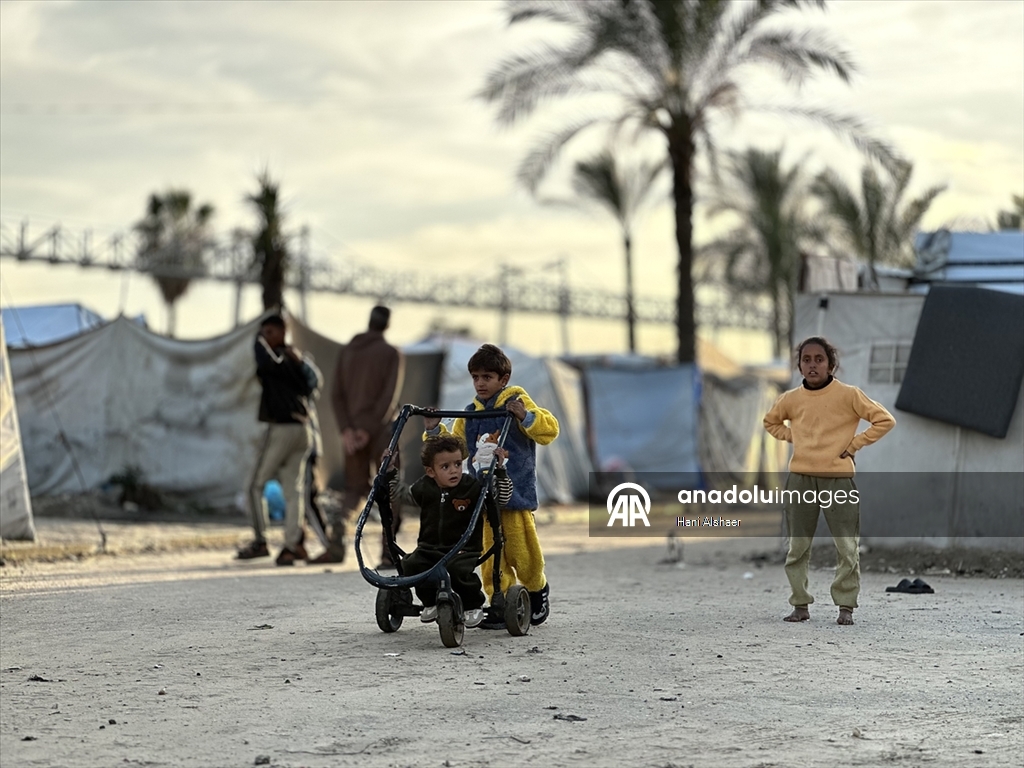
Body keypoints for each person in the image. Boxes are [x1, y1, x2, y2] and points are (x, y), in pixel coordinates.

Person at [423, 343, 559, 628]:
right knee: (489, 554)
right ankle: (500, 601)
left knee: (523, 552)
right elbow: (453, 448)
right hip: (483, 497)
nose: (480, 383)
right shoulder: (471, 414)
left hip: (515, 493)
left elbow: (549, 430)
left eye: (487, 377)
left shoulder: (517, 402)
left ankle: (536, 588)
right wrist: (435, 429)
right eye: (476, 377)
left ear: (503, 380)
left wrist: (525, 416)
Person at [763, 336, 895, 626]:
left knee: (846, 546)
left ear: (831, 364)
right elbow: (770, 422)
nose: (812, 365)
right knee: (797, 546)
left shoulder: (849, 395)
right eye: (806, 359)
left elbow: (884, 420)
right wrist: (792, 437)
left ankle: (845, 606)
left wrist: (854, 444)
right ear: (799, 365)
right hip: (800, 479)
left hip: (838, 480)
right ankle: (800, 604)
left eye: (819, 359)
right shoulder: (790, 399)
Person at [386, 435, 512, 629]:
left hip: (463, 548)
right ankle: (430, 601)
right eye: (445, 467)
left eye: (457, 464)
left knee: (457, 571)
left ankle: (472, 604)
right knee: (410, 565)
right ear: (431, 471)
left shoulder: (471, 487)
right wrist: (389, 472)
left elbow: (500, 500)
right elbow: (400, 494)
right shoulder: (425, 487)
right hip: (430, 547)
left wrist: (501, 471)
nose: (454, 470)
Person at [312, 306, 404, 565]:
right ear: (386, 325)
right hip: (382, 431)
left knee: (354, 489)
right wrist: (369, 429)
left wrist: (347, 431)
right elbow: (389, 397)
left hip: (352, 434)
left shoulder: (348, 350)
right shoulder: (391, 353)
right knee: (390, 487)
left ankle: (337, 540)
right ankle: (388, 554)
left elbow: (336, 395)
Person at [237, 314, 319, 566]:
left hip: (283, 429)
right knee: (293, 491)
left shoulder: (280, 360)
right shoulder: (296, 360)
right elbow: (312, 384)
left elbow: (265, 361)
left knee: (255, 485)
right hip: (303, 431)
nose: (265, 338)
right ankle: (292, 545)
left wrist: (256, 340)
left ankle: (261, 541)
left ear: (283, 332)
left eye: (270, 332)